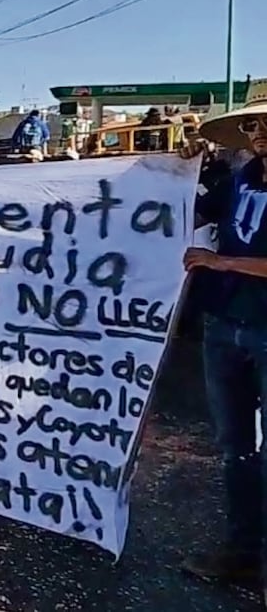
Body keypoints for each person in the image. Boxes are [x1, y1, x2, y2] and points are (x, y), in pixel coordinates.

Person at [177, 78, 267, 599]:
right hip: (224, 326)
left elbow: (218, 251)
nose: (260, 132)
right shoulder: (240, 179)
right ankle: (241, 552)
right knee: (236, 450)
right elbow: (188, 209)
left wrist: (222, 262)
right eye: (253, 123)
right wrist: (183, 169)